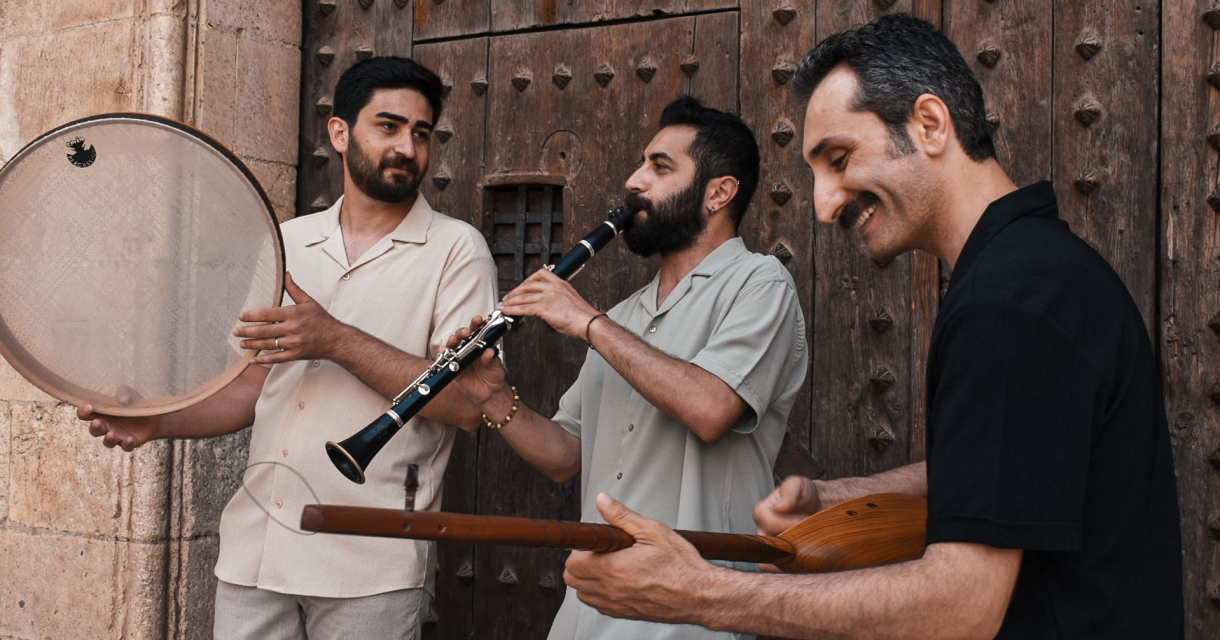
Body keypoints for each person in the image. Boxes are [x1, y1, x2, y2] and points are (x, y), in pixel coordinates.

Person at [559, 14, 1184, 640]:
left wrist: (698, 591)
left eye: (839, 158)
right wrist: (839, 498)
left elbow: (960, 607)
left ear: (930, 124)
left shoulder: (1009, 302)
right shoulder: (1031, 271)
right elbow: (1011, 462)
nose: (825, 204)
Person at [78, 56, 498, 640]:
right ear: (339, 132)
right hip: (257, 551)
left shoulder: (458, 250)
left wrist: (335, 340)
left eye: (421, 133)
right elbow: (253, 387)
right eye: (389, 126)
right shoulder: (287, 242)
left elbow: (469, 406)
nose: (407, 146)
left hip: (372, 560)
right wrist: (157, 422)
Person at [447, 96, 808, 640]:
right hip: (589, 610)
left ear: (719, 192)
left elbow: (711, 407)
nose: (635, 180)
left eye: (660, 166)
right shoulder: (624, 316)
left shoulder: (760, 284)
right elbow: (566, 456)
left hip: (694, 615)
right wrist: (493, 399)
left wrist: (588, 322)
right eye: (641, 163)